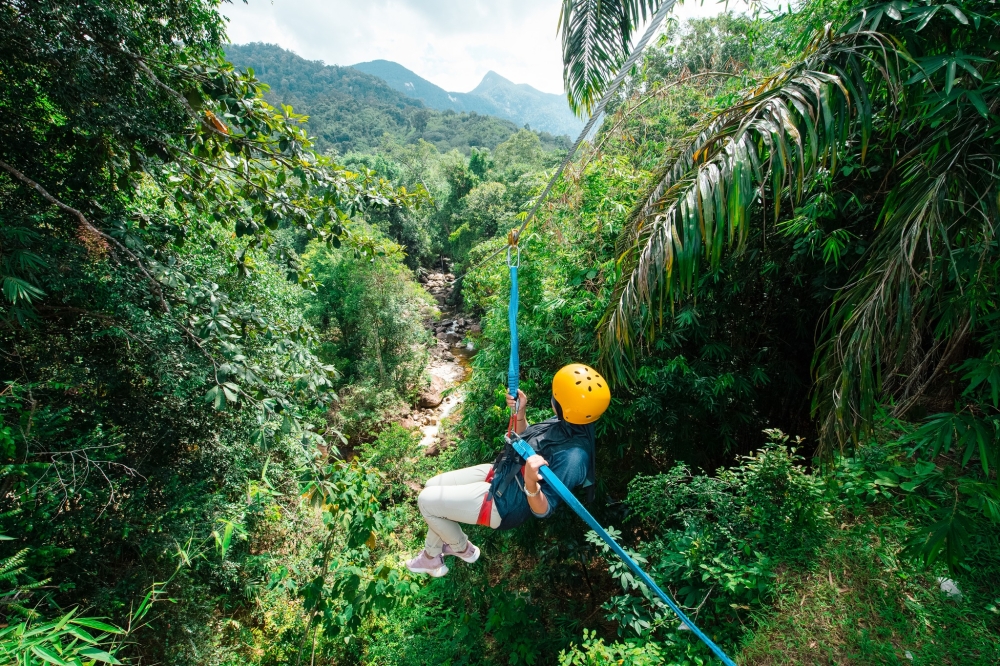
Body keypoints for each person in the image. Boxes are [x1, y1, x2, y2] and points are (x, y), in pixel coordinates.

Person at [405, 364, 611, 577]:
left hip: (505, 503)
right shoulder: (568, 421)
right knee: (432, 486)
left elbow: (544, 509)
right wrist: (520, 414)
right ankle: (436, 552)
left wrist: (531, 482)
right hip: (503, 472)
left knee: (426, 501)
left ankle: (459, 548)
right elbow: (525, 441)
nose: (552, 398)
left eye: (555, 396)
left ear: (563, 406)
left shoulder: (574, 458)